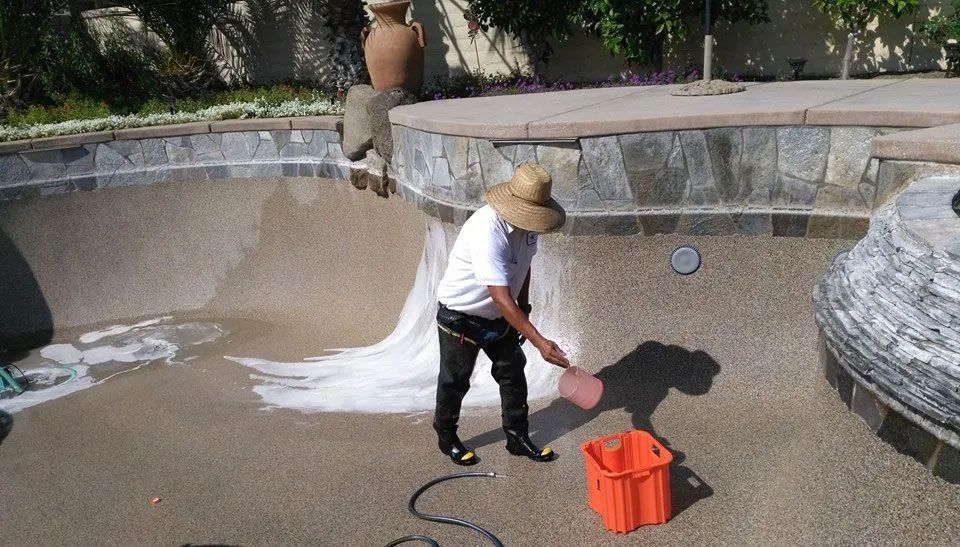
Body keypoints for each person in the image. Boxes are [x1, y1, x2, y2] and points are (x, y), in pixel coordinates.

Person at [433, 163, 571, 466]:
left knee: (512, 372)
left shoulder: (527, 230)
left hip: (500, 316)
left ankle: (517, 436)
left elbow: (523, 266)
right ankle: (446, 435)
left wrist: (525, 307)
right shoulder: (487, 230)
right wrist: (539, 341)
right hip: (460, 317)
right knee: (455, 380)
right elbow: (500, 296)